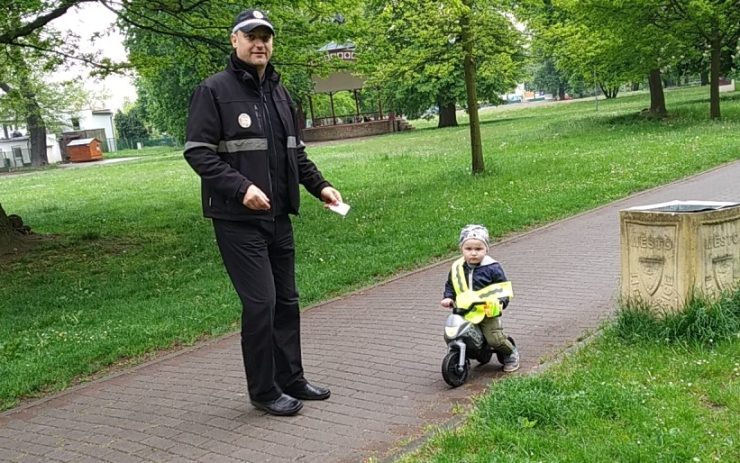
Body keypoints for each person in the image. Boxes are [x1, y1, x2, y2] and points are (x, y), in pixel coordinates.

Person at [184, 9, 342, 416]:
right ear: (234, 40)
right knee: (261, 305)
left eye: (265, 37)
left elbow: (296, 152)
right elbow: (198, 153)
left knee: (287, 301)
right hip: (237, 222)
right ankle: (264, 391)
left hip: (279, 218)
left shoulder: (279, 93)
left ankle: (292, 378)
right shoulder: (213, 91)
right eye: (251, 36)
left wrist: (319, 186)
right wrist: (242, 189)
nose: (260, 44)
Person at [440, 224, 520, 372]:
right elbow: (451, 284)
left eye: (478, 249)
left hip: (487, 310)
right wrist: (448, 297)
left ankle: (510, 353)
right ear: (461, 249)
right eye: (468, 249)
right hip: (464, 310)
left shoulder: (492, 267)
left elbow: (502, 287)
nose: (473, 253)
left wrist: (502, 302)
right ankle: (462, 355)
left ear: (486, 249)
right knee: (455, 333)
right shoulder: (458, 268)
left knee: (494, 339)